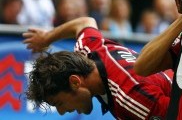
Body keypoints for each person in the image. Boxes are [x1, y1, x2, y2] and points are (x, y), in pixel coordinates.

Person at [22, 17, 172, 119]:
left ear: (75, 82)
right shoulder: (88, 50)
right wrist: (47, 38)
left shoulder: (129, 97)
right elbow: (85, 22)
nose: (61, 112)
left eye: (59, 103)